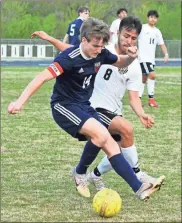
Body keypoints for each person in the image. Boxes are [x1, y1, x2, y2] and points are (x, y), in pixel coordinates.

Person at [30, 18, 164, 200]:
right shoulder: (98, 48)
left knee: (112, 143)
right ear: (118, 34)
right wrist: (50, 39)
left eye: (134, 38)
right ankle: (138, 175)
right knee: (123, 130)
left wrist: (141, 114)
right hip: (90, 106)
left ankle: (100, 177)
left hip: (105, 109)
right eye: (126, 36)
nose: (129, 41)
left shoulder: (126, 62)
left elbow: (133, 96)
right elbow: (71, 52)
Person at [138, 10, 169, 107]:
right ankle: (151, 99)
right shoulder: (142, 28)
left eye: (155, 17)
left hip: (151, 59)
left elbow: (162, 44)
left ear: (157, 19)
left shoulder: (157, 31)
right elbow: (134, 37)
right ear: (148, 18)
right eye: (151, 17)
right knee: (152, 75)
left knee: (144, 78)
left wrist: (166, 54)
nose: (153, 19)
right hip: (142, 58)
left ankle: (137, 99)